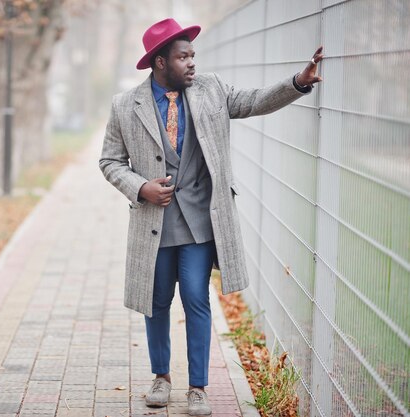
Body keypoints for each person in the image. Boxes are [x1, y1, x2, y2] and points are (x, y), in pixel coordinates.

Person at [99, 18, 323, 416]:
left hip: (201, 221)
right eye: (183, 56)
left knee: (197, 298)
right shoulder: (125, 106)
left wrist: (298, 82)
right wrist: (140, 187)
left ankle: (199, 387)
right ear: (160, 62)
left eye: (192, 56)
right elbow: (110, 161)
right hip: (156, 222)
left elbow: (254, 100)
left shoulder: (211, 90)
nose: (191, 64)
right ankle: (161, 378)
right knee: (156, 301)